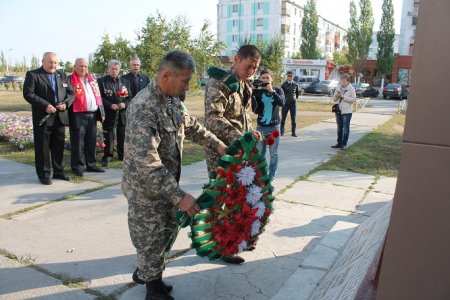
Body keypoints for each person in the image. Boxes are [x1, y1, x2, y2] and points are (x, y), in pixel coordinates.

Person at [122, 50, 227, 300]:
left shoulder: (172, 100)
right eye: (185, 81)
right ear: (166, 75)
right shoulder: (144, 108)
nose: (188, 87)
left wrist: (219, 144)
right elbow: (147, 162)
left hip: (165, 185)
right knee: (151, 237)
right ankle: (153, 290)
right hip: (145, 189)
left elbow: (191, 126)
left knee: (166, 233)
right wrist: (179, 196)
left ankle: (147, 274)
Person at [204, 44, 262, 264]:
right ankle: (222, 245)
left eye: (255, 68)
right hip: (221, 150)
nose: (251, 72)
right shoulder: (219, 83)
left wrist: (249, 133)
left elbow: (243, 115)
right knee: (223, 198)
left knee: (242, 194)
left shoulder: (243, 83)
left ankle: (238, 238)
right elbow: (212, 119)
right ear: (236, 59)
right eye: (248, 66)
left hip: (240, 149)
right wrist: (240, 136)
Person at [23, 52, 74, 185]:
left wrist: (66, 104)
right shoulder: (33, 75)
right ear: (43, 61)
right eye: (50, 62)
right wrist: (45, 105)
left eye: (55, 63)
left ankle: (58, 171)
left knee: (58, 146)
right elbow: (28, 94)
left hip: (60, 117)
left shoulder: (62, 75)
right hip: (44, 117)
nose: (53, 65)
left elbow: (71, 93)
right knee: (43, 147)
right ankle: (44, 174)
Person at [68, 58, 105, 177]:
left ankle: (91, 164)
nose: (83, 68)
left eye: (85, 66)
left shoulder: (92, 80)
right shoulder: (70, 80)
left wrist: (102, 113)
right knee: (78, 142)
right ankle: (77, 166)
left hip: (92, 114)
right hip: (77, 114)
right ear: (74, 67)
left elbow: (98, 97)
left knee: (91, 140)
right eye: (80, 66)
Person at [251, 69, 285, 181]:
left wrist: (272, 92)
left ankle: (271, 175)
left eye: (267, 78)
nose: (265, 80)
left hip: (274, 127)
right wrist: (253, 93)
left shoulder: (278, 90)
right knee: (260, 152)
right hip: (261, 127)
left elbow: (282, 102)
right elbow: (255, 110)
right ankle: (261, 174)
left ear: (272, 79)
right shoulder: (259, 92)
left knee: (273, 153)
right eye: (263, 78)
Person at [97, 60, 132, 167]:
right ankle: (108, 156)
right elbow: (100, 97)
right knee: (108, 135)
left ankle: (122, 155)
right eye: (112, 68)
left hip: (121, 114)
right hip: (108, 113)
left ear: (119, 70)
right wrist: (110, 105)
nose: (114, 70)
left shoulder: (125, 82)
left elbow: (129, 97)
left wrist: (124, 104)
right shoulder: (101, 81)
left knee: (122, 135)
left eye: (116, 69)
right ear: (108, 69)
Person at [331, 73, 356, 150]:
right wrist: (336, 96)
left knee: (345, 128)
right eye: (341, 81)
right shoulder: (338, 87)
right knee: (339, 128)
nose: (342, 83)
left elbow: (353, 100)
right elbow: (334, 99)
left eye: (344, 81)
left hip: (347, 112)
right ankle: (339, 143)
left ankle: (344, 144)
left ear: (348, 81)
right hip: (338, 110)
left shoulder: (351, 88)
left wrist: (343, 97)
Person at [280, 71, 300, 137]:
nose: (290, 77)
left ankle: (293, 132)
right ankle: (282, 131)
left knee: (293, 119)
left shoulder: (296, 84)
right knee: (283, 118)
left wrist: (295, 99)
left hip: (293, 104)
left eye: (291, 76)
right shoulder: (283, 84)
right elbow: (281, 94)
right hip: (285, 104)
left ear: (293, 77)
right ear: (287, 76)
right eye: (288, 76)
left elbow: (297, 93)